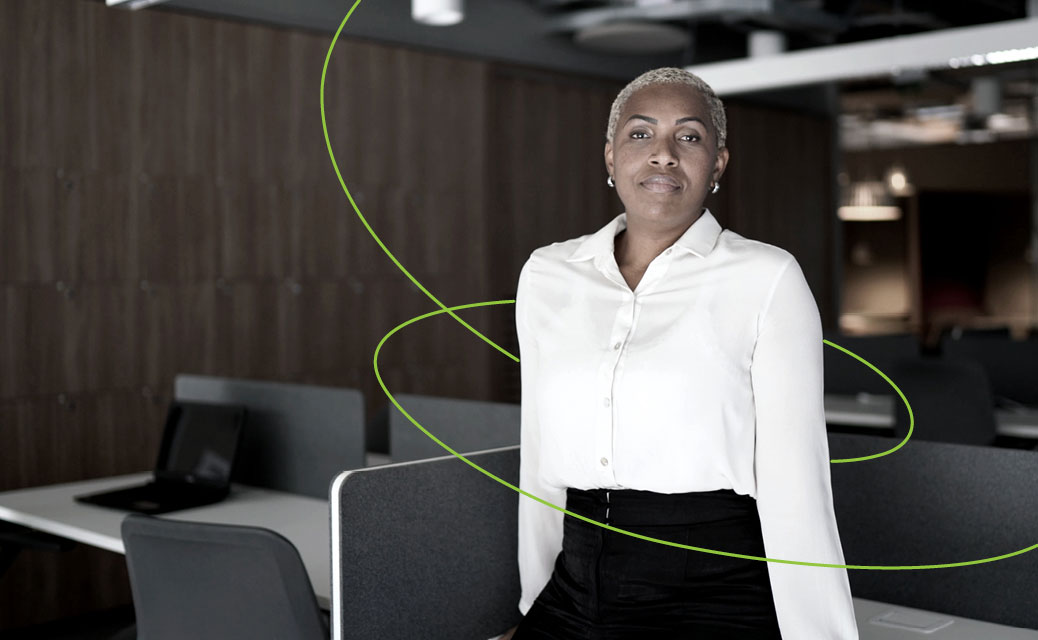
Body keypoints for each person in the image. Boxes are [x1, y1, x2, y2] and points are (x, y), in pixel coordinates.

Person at [500, 67, 858, 639]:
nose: (663, 154)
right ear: (611, 157)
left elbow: (798, 487)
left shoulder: (767, 278)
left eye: (688, 137)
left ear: (717, 165)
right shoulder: (548, 274)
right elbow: (540, 456)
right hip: (573, 581)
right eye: (641, 134)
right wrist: (532, 603)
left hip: (711, 589)